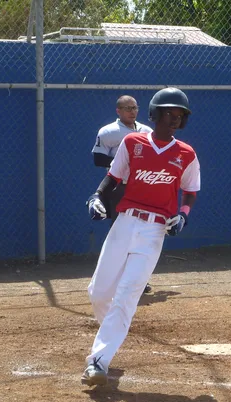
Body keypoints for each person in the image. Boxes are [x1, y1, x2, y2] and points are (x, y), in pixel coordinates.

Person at [81, 87, 201, 386]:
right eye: (169, 113)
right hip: (124, 223)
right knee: (99, 293)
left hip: (153, 231)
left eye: (179, 115)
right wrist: (96, 196)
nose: (174, 119)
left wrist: (183, 214)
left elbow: (191, 191)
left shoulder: (186, 153)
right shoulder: (132, 143)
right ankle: (112, 329)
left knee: (127, 295)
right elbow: (114, 176)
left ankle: (99, 360)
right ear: (155, 113)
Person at [92, 96, 155, 293]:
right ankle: (116, 278)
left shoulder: (147, 131)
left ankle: (137, 279)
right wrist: (122, 163)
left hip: (142, 187)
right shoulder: (109, 132)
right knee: (121, 233)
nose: (132, 111)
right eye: (127, 108)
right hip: (119, 187)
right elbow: (98, 158)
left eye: (135, 107)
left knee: (142, 233)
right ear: (118, 111)